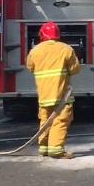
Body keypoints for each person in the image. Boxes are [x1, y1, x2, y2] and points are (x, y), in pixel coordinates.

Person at [26, 21, 81, 159]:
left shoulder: (34, 51)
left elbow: (30, 68)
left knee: (45, 121)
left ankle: (43, 148)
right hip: (61, 95)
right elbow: (75, 70)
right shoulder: (66, 49)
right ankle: (56, 150)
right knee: (60, 121)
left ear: (42, 35)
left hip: (44, 95)